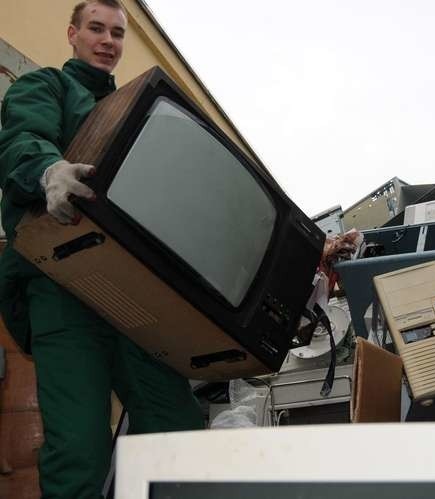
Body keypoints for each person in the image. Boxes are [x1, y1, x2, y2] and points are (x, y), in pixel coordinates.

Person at [0, 2, 203, 497]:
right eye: (96, 28)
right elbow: (21, 139)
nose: (108, 40)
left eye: (117, 32)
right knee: (78, 449)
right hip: (62, 290)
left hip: (133, 294)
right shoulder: (46, 86)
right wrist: (48, 171)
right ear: (73, 33)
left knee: (178, 432)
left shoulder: (138, 111)